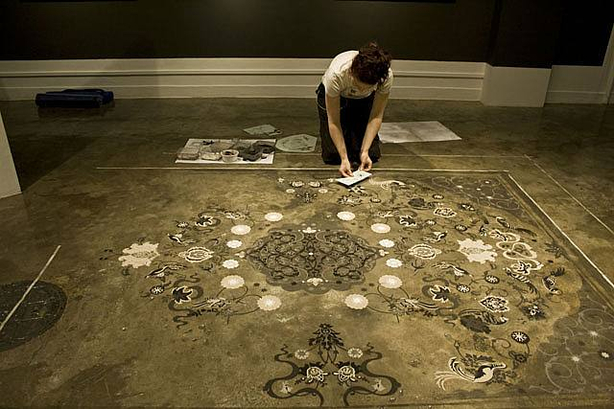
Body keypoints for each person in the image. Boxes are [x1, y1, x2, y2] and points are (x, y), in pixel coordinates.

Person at [317, 42, 393, 177]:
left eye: (368, 87)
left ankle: (359, 147)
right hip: (337, 97)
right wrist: (344, 159)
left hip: (364, 101)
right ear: (352, 73)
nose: (362, 90)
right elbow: (334, 121)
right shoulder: (337, 74)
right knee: (333, 156)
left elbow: (376, 116)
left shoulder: (384, 76)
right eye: (359, 85)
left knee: (372, 155)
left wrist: (365, 151)